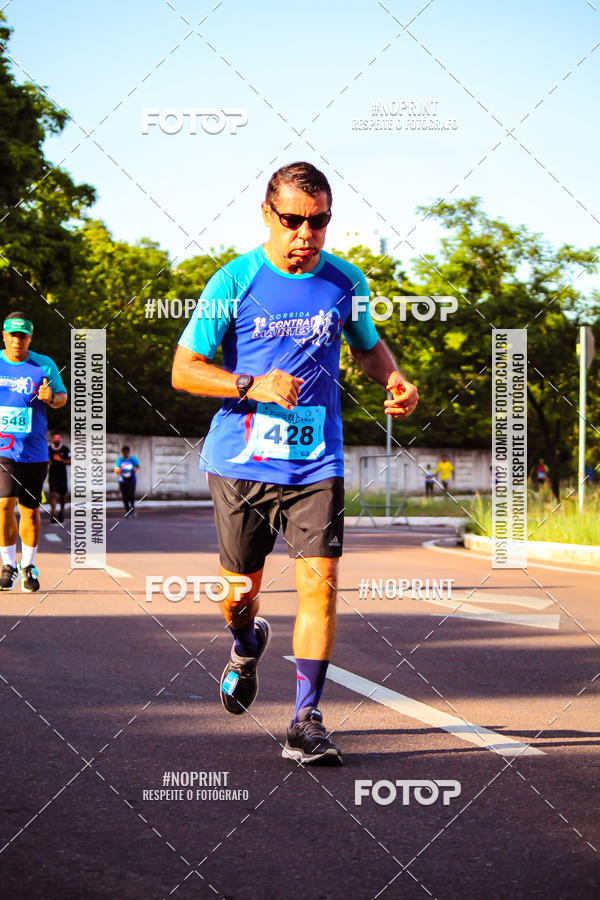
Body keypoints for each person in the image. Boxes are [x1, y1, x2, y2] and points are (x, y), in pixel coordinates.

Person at [172, 161, 418, 765]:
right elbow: (183, 371)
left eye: (319, 222)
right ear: (267, 215)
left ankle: (306, 719)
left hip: (316, 461)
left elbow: (366, 346)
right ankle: (245, 642)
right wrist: (249, 383)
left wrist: (394, 378)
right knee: (238, 593)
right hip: (241, 462)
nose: (306, 234)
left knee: (322, 588)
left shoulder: (345, 279)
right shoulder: (233, 281)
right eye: (293, 221)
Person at [0, 312, 67, 592]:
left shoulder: (44, 364)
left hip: (35, 452)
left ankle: (27, 566)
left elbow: (62, 397)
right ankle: (7, 565)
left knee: (29, 511)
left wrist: (50, 397)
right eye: (13, 335)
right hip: (3, 449)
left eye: (23, 336)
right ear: (4, 335)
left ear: (30, 337)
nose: (18, 341)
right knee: (4, 506)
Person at [48, 432, 71, 523]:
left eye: (58, 438)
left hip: (62, 475)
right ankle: (53, 513)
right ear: (52, 439)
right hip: (53, 474)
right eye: (55, 438)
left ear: (60, 439)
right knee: (53, 494)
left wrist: (61, 460)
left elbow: (70, 461)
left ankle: (61, 511)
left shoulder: (65, 449)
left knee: (63, 495)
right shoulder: (48, 449)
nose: (57, 440)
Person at [114, 446, 140, 517]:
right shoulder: (119, 460)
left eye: (127, 453)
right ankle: (127, 511)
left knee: (131, 495)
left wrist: (135, 469)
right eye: (124, 453)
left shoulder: (133, 459)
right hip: (123, 481)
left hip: (132, 480)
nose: (126, 454)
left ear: (129, 452)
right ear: (122, 453)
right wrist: (120, 468)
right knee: (125, 496)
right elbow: (116, 471)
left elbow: (138, 466)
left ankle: (132, 510)